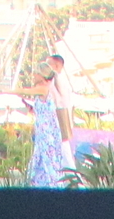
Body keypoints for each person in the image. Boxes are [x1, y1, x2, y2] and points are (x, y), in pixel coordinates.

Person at [20, 53, 75, 187]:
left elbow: (60, 102)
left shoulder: (57, 80)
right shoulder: (51, 82)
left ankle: (73, 184)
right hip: (50, 124)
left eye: (49, 64)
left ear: (56, 66)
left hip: (56, 123)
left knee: (62, 156)